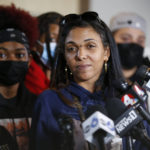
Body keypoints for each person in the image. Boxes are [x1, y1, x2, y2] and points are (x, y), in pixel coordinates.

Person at [30, 11, 150, 150]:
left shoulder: (129, 98)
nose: (80, 55)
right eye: (71, 48)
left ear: (106, 52)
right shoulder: (49, 101)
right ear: (65, 56)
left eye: (90, 46)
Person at [0, 4, 38, 150]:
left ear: (29, 61)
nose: (11, 60)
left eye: (19, 55)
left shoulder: (39, 104)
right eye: (2, 54)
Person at [24, 12, 63, 95]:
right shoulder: (30, 71)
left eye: (61, 40)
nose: (57, 45)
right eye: (52, 39)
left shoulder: (60, 71)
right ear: (34, 42)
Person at [109, 12, 150, 85]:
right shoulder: (97, 75)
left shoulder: (147, 78)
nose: (134, 44)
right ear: (110, 39)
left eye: (140, 41)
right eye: (126, 38)